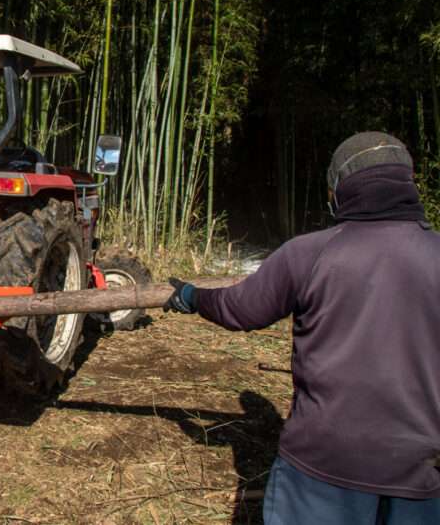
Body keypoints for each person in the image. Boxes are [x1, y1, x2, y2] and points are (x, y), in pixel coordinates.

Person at [164, 132, 440, 524]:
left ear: (339, 191)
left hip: (321, 469)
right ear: (408, 182)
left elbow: (240, 309)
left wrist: (192, 296)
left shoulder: (310, 253)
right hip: (417, 472)